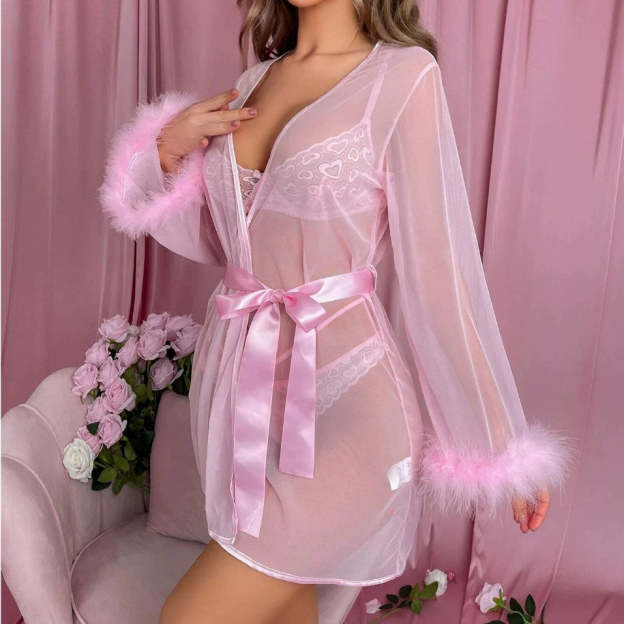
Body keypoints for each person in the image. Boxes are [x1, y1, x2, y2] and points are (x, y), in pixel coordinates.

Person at [98, 1, 576, 622]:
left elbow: (442, 276)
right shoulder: (254, 81)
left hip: (352, 406)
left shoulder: (404, 77)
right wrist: (168, 148)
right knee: (285, 608)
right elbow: (230, 241)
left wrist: (503, 444)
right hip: (247, 402)